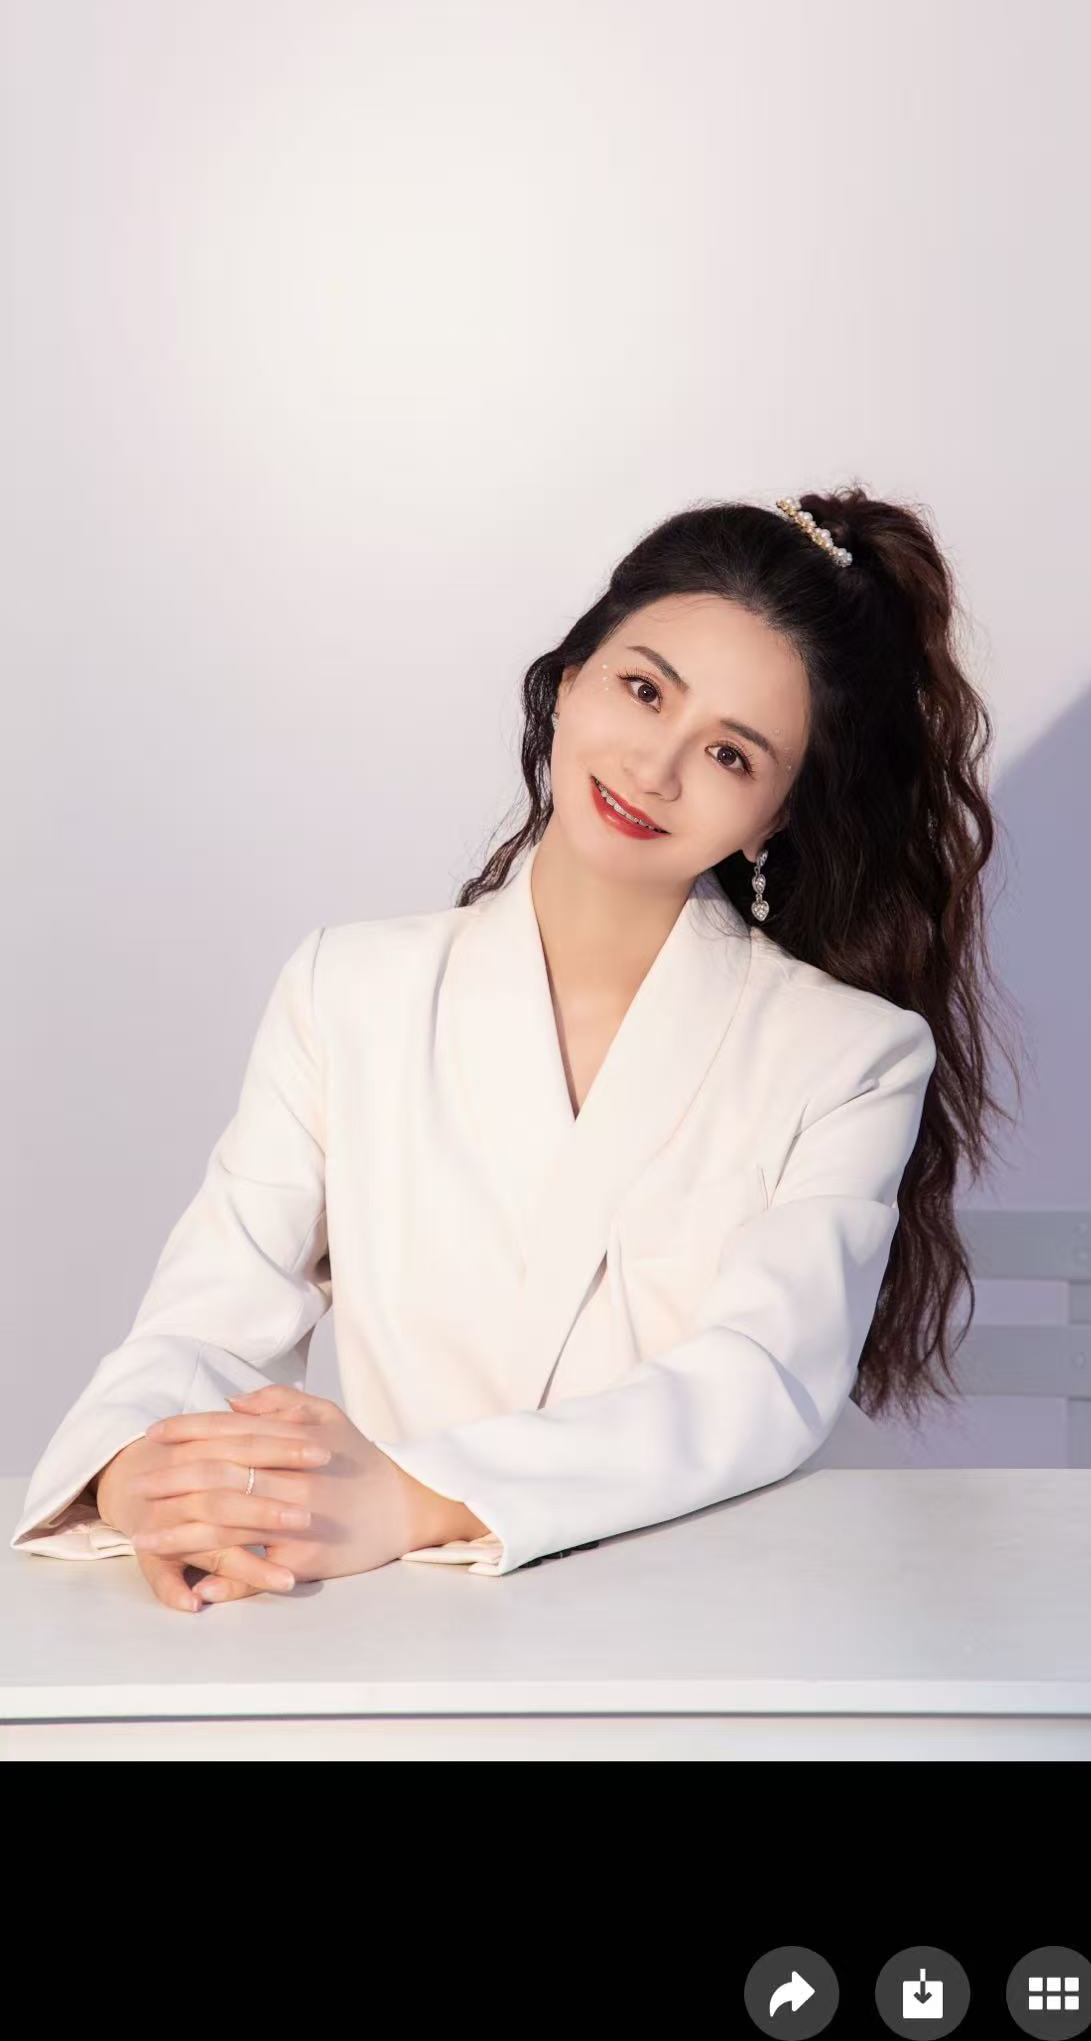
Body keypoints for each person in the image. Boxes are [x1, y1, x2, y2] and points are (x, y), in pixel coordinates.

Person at [11, 486, 1022, 1611]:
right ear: (572, 675)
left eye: (731, 754)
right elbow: (210, 1317)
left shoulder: (851, 1055)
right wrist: (148, 1478)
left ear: (776, 814)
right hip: (420, 1626)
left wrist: (409, 1499)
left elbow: (758, 1377)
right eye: (644, 689)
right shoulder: (349, 991)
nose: (655, 768)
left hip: (726, 1612)